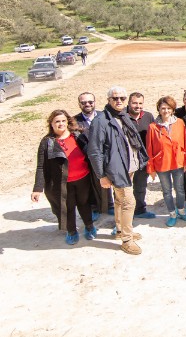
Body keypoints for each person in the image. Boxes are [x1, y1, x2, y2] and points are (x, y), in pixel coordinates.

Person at [87, 86, 149, 255]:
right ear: (108, 100)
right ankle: (127, 240)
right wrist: (102, 175)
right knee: (129, 202)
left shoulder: (123, 116)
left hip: (128, 167)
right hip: (116, 170)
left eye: (122, 98)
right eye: (115, 98)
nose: (119, 101)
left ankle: (121, 230)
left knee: (120, 201)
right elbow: (94, 151)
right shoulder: (101, 121)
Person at [32, 110, 97, 245]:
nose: (60, 124)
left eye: (63, 120)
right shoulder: (47, 142)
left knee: (84, 203)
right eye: (57, 121)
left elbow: (92, 154)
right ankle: (71, 231)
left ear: (68, 121)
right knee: (67, 207)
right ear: (51, 124)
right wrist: (37, 188)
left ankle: (89, 226)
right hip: (62, 183)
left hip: (83, 179)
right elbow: (41, 166)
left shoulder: (78, 136)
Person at [146, 96, 186, 227]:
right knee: (167, 191)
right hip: (162, 164)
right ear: (159, 110)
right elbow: (149, 148)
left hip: (178, 162)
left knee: (180, 189)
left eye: (168, 108)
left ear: (172, 110)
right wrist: (151, 168)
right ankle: (172, 214)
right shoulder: (153, 127)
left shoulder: (179, 123)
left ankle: (182, 211)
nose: (166, 111)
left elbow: (185, 143)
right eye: (163, 108)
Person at [74, 91, 112, 217]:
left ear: (95, 102)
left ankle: (109, 206)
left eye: (90, 102)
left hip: (105, 155)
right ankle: (94, 207)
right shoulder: (74, 121)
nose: (87, 104)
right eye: (84, 102)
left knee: (107, 180)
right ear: (79, 104)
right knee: (90, 184)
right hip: (85, 159)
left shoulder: (104, 116)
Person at [127, 92, 156, 219]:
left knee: (140, 186)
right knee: (125, 188)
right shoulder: (122, 117)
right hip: (127, 158)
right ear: (129, 103)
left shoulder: (148, 116)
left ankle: (139, 209)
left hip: (143, 158)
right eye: (134, 103)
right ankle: (125, 213)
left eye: (140, 103)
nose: (137, 106)